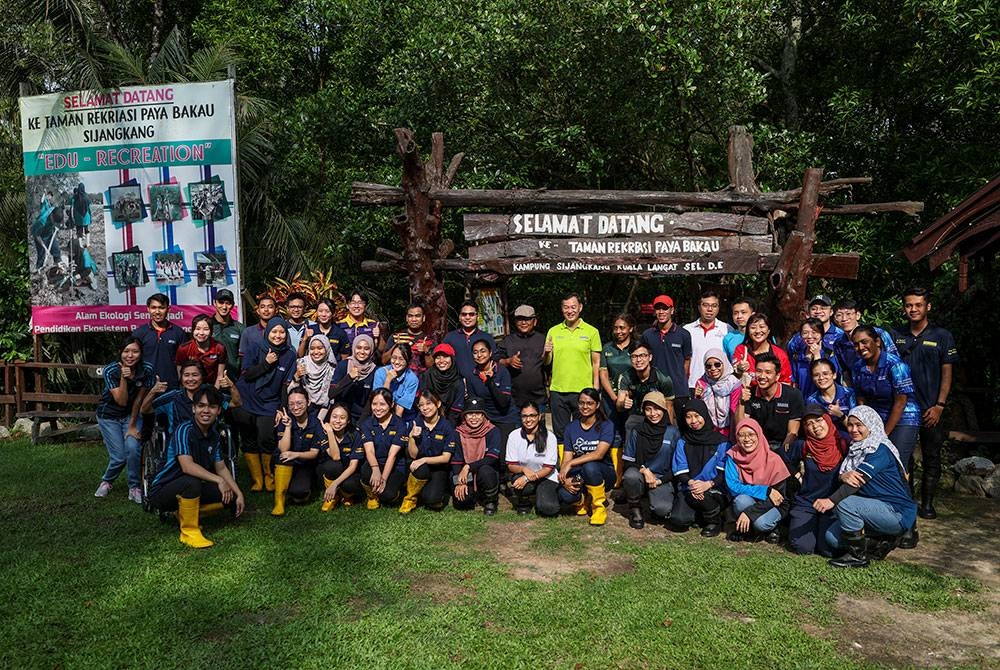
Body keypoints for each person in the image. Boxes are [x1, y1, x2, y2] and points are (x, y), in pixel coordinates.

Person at [814, 406, 918, 568]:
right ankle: (881, 542)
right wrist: (843, 476)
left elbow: (858, 481)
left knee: (845, 504)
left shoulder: (879, 449)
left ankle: (857, 556)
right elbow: (848, 477)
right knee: (831, 538)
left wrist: (830, 501)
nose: (854, 429)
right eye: (850, 425)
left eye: (859, 425)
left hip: (895, 511)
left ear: (870, 425)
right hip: (872, 508)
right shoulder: (857, 448)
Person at [147, 385, 245, 548]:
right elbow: (187, 466)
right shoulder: (184, 430)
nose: (206, 411)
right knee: (191, 481)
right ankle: (189, 532)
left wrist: (239, 493)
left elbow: (221, 467)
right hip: (163, 489)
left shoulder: (214, 434)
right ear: (193, 408)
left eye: (212, 407)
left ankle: (181, 513)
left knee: (231, 498)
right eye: (201, 406)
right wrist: (219, 481)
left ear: (219, 410)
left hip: (192, 486)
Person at [891, 287, 959, 520]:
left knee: (932, 456)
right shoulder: (896, 334)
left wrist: (940, 405)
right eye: (909, 305)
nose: (913, 309)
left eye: (918, 305)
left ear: (927, 307)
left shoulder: (942, 336)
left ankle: (927, 503)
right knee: (903, 458)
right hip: (903, 408)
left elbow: (947, 373)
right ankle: (906, 502)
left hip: (931, 408)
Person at [849, 325, 921, 493]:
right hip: (876, 415)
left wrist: (883, 434)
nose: (860, 347)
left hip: (904, 416)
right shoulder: (858, 367)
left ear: (877, 341)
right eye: (856, 344)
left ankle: (904, 509)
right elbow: (861, 399)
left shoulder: (895, 365)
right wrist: (863, 426)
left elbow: (901, 402)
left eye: (864, 342)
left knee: (896, 462)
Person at [232, 318, 296, 492]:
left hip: (269, 401)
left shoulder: (290, 354)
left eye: (281, 332)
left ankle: (269, 476)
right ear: (267, 332)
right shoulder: (255, 347)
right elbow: (247, 375)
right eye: (274, 332)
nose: (277, 335)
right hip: (246, 397)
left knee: (266, 436)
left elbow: (285, 385)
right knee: (248, 437)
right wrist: (266, 363)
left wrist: (281, 408)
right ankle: (257, 479)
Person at [95, 337, 156, 502]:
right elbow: (121, 401)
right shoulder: (111, 371)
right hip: (109, 416)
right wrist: (124, 378)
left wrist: (132, 425)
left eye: (135, 351)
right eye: (126, 351)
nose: (130, 355)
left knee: (133, 447)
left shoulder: (147, 369)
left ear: (141, 353)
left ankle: (134, 487)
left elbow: (139, 400)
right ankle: (107, 481)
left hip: (132, 415)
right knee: (119, 457)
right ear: (120, 353)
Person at [787, 405, 847, 556]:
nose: (815, 426)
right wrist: (796, 475)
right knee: (803, 547)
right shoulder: (804, 445)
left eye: (819, 421)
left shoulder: (843, 444)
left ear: (827, 420)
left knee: (828, 549)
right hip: (806, 502)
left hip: (832, 504)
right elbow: (782, 457)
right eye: (809, 424)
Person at [544, 293, 602, 442]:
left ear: (580, 308)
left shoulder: (592, 332)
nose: (570, 311)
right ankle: (564, 464)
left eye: (573, 307)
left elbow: (596, 363)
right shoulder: (553, 331)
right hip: (558, 390)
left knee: (583, 430)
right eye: (566, 307)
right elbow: (546, 362)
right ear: (562, 309)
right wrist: (546, 353)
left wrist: (595, 388)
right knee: (560, 434)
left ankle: (581, 464)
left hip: (583, 391)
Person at [725, 418, 792, 543]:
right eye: (741, 435)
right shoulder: (733, 455)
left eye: (751, 434)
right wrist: (765, 490)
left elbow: (779, 498)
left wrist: (749, 513)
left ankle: (772, 528)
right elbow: (732, 486)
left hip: (773, 504)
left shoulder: (773, 460)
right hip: (750, 500)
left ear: (759, 435)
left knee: (761, 524)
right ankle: (745, 529)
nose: (746, 439)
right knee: (740, 500)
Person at [621, 391, 681, 529]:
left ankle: (653, 498)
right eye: (648, 409)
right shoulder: (637, 430)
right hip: (641, 474)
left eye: (657, 408)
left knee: (662, 510)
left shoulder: (673, 432)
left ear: (664, 409)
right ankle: (635, 508)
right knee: (631, 476)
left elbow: (677, 466)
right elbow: (629, 460)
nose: (653, 413)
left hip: (661, 478)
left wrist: (660, 480)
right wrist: (644, 470)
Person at [670, 398, 729, 536]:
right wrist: (692, 483)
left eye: (697, 416)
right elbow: (680, 472)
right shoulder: (683, 442)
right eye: (688, 417)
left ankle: (714, 521)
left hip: (714, 489)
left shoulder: (722, 442)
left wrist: (708, 484)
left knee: (706, 498)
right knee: (678, 520)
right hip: (690, 488)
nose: (693, 421)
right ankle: (700, 516)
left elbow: (723, 474)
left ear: (705, 415)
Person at [557, 388, 616, 525]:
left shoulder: (607, 425)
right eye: (581, 403)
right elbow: (567, 458)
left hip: (603, 473)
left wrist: (571, 464)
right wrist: (565, 478)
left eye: (589, 403)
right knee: (564, 494)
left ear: (597, 405)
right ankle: (583, 501)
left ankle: (598, 508)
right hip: (580, 474)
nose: (585, 407)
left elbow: (598, 454)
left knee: (590, 466)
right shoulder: (571, 428)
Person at [142, 360, 240, 436]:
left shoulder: (211, 394)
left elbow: (236, 403)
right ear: (181, 378)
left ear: (202, 377)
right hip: (179, 445)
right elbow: (145, 410)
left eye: (195, 375)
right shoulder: (172, 397)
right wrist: (152, 392)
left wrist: (231, 386)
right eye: (186, 375)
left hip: (208, 443)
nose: (190, 379)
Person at [399, 391, 459, 513]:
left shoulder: (447, 427)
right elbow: (413, 455)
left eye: (429, 403)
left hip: (438, 468)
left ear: (438, 404)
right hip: (419, 467)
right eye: (421, 405)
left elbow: (446, 457)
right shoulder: (415, 424)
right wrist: (412, 438)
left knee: (432, 500)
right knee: (420, 468)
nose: (425, 408)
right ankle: (410, 498)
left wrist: (425, 459)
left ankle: (428, 493)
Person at [736, 352, 804, 460]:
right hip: (757, 444)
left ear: (777, 376)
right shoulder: (750, 394)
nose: (762, 376)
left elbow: (793, 432)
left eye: (768, 372)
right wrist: (741, 403)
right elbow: (741, 427)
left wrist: (779, 455)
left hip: (783, 445)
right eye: (758, 371)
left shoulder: (793, 394)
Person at [271, 388, 325, 516]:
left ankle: (299, 486)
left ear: (308, 402)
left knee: (299, 494)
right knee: (282, 456)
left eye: (299, 403)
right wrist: (288, 427)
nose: (295, 407)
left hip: (305, 464)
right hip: (286, 462)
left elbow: (314, 453)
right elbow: (283, 449)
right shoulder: (285, 420)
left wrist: (295, 454)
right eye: (291, 404)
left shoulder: (315, 423)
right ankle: (279, 501)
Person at [505, 401, 560, 516]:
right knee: (517, 481)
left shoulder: (550, 437)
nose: (528, 420)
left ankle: (548, 495)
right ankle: (524, 502)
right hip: (524, 474)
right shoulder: (514, 435)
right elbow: (511, 465)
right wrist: (523, 470)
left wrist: (527, 478)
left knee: (549, 509)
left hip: (546, 476)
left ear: (539, 416)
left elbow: (549, 468)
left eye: (532, 415)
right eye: (524, 416)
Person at [358, 389, 409, 508]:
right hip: (374, 462)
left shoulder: (400, 424)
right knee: (366, 474)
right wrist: (375, 470)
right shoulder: (367, 424)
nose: (378, 408)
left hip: (395, 465)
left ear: (391, 405)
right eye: (374, 404)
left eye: (382, 404)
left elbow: (393, 455)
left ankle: (400, 489)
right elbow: (369, 451)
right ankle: (372, 496)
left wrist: (383, 479)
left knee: (388, 495)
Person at [452, 397, 502, 515]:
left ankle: (491, 500)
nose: (474, 417)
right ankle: (474, 495)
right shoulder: (458, 433)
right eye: (470, 414)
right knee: (462, 502)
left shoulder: (493, 431)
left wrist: (468, 466)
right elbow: (456, 461)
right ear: (464, 416)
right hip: (465, 474)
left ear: (484, 416)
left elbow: (492, 458)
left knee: (486, 471)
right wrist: (459, 482)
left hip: (484, 470)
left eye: (478, 414)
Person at [641, 294, 692, 403]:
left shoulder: (684, 334)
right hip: (655, 389)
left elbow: (687, 360)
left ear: (672, 310)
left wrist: (681, 380)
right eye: (658, 308)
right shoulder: (647, 335)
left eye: (665, 308)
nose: (661, 312)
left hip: (678, 390)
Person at [465, 337, 519, 438]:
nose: (479, 355)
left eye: (483, 351)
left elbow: (503, 402)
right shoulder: (471, 375)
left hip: (505, 419)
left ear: (490, 353)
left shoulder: (502, 371)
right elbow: (474, 402)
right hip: (486, 421)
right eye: (475, 352)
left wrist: (490, 382)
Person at [616, 342, 676, 433]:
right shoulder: (625, 377)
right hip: (636, 416)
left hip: (657, 416)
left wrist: (669, 431)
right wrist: (623, 403)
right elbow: (619, 406)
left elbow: (669, 406)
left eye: (643, 355)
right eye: (634, 356)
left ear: (650, 357)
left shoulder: (663, 379)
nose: (638, 360)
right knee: (630, 423)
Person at [133, 293, 188, 389]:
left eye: (161, 308)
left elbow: (185, 363)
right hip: (144, 388)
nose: (157, 311)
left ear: (168, 309)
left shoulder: (179, 333)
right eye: (153, 307)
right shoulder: (139, 333)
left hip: (171, 387)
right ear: (148, 309)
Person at [498, 304, 547, 412]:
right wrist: (508, 361)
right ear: (515, 321)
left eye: (527, 319)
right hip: (515, 400)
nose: (524, 323)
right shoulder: (507, 341)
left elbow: (550, 367)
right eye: (520, 319)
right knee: (517, 429)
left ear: (535, 321)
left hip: (538, 399)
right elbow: (496, 361)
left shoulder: (543, 340)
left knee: (539, 429)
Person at [832, 299, 897, 377]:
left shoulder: (878, 333)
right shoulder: (839, 344)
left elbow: (896, 362)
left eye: (848, 314)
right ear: (835, 319)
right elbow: (845, 372)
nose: (844, 319)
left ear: (858, 315)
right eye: (839, 315)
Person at [317, 404, 365, 511]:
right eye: (334, 417)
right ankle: (332, 498)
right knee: (333, 465)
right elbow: (336, 456)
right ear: (329, 418)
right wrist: (330, 432)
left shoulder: (355, 434)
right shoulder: (323, 432)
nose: (338, 421)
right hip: (332, 471)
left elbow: (353, 466)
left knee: (350, 485)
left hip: (350, 472)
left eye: (342, 418)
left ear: (348, 421)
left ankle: (345, 495)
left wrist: (335, 484)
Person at [599, 312, 637, 443]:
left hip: (631, 398)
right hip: (610, 398)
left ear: (630, 328)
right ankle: (614, 463)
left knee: (630, 432)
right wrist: (615, 398)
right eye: (615, 328)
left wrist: (629, 394)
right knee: (612, 433)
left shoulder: (636, 347)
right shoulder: (607, 347)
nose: (618, 331)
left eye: (622, 328)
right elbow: (603, 374)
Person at [684, 289, 734, 391]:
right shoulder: (687, 330)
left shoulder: (727, 329)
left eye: (714, 306)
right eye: (705, 305)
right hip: (693, 384)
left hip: (720, 386)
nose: (709, 309)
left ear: (718, 308)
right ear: (699, 307)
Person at [786, 295, 845, 372]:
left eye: (823, 308)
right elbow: (791, 358)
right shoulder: (798, 338)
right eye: (814, 309)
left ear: (831, 312)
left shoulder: (840, 335)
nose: (818, 311)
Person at [732, 312, 793, 385]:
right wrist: (739, 369)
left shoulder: (779, 354)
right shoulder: (741, 350)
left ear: (769, 330)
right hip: (748, 395)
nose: (757, 331)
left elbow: (786, 382)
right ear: (748, 331)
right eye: (753, 328)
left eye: (762, 327)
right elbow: (734, 377)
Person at [693, 348, 742, 438]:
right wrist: (697, 398)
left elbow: (734, 410)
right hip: (708, 430)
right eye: (708, 366)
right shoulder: (701, 383)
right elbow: (698, 410)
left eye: (717, 364)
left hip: (729, 430)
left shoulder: (734, 383)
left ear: (724, 363)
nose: (713, 369)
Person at [330, 334, 378, 423]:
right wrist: (348, 378)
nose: (362, 352)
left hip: (362, 418)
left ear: (371, 350)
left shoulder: (375, 371)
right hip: (341, 416)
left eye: (366, 348)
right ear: (353, 348)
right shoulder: (343, 365)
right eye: (358, 348)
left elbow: (370, 402)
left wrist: (360, 425)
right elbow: (331, 394)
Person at [789, 317, 841, 399]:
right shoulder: (797, 356)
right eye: (805, 333)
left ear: (821, 334)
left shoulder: (829, 354)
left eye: (814, 332)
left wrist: (817, 355)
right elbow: (794, 382)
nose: (809, 336)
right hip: (803, 401)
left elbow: (832, 378)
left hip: (822, 401)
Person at [443, 300, 497, 379]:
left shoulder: (487, 337)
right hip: (457, 383)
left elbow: (495, 360)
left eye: (471, 314)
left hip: (481, 382)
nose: (467, 317)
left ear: (477, 317)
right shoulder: (450, 337)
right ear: (460, 317)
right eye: (464, 314)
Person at [291, 334, 336, 420]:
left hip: (325, 412)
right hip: (301, 410)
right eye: (312, 348)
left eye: (320, 348)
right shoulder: (301, 363)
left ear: (327, 349)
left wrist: (319, 421)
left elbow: (331, 398)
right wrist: (297, 376)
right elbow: (289, 391)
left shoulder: (331, 369)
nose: (316, 352)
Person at [419, 343, 466, 424]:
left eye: (445, 356)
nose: (441, 361)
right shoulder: (428, 375)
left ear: (452, 358)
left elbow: (456, 411)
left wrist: (445, 427)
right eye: (437, 357)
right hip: (428, 417)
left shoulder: (458, 381)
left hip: (451, 421)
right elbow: (423, 401)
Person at [805, 358, 856, 432]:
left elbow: (857, 427)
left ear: (834, 375)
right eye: (816, 375)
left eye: (825, 374)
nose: (821, 378)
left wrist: (840, 415)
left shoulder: (848, 394)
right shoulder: (812, 400)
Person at [383, 302, 435, 374]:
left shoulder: (429, 339)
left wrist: (426, 351)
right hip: (399, 380)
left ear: (423, 318)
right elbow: (384, 361)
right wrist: (396, 346)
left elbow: (432, 367)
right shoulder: (397, 336)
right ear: (407, 318)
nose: (414, 319)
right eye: (410, 316)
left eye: (417, 316)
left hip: (422, 381)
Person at [373, 343, 420, 421]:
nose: (397, 362)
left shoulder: (412, 379)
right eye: (394, 358)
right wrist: (388, 380)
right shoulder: (380, 372)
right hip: (380, 414)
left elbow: (400, 408)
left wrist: (395, 427)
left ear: (408, 360)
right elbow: (379, 402)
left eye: (401, 359)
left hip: (404, 417)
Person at [175, 314, 227, 384]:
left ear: (211, 332)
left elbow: (220, 375)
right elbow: (180, 375)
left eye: (206, 329)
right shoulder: (184, 349)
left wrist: (214, 392)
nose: (201, 333)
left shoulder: (219, 348)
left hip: (212, 386)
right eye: (198, 329)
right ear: (193, 330)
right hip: (191, 386)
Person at [211, 289, 245, 381]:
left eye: (228, 303)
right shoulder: (207, 326)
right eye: (221, 302)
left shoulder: (240, 329)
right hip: (209, 381)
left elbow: (244, 357)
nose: (224, 307)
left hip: (233, 380)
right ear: (215, 303)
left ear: (233, 305)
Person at [239, 295, 278, 371]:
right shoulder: (248, 332)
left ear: (276, 310)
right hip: (253, 375)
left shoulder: (281, 332)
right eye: (262, 307)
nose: (266, 310)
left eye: (270, 307)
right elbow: (242, 358)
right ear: (258, 310)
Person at [723, 296, 757, 361]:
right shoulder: (728, 338)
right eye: (735, 313)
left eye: (743, 312)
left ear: (753, 315)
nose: (739, 316)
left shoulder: (763, 336)